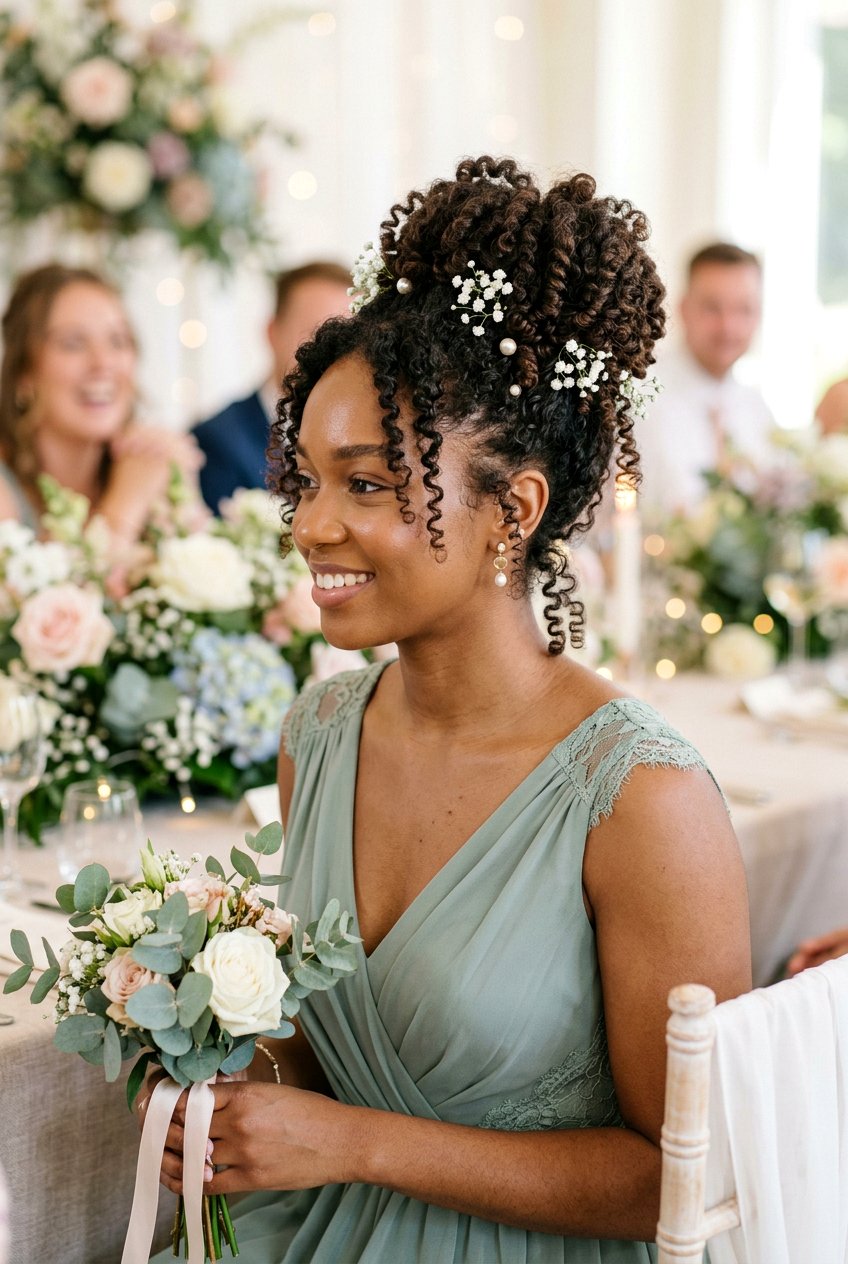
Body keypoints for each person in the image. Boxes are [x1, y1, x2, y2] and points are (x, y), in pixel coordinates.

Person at [145, 157, 751, 1262]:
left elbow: (686, 1170)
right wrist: (212, 1063)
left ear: (510, 510)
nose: (312, 526)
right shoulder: (318, 733)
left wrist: (357, 1144)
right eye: (307, 480)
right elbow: (328, 1062)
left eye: (366, 484)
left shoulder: (641, 801)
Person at [0, 263, 202, 545]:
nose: (103, 363)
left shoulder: (146, 462)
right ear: (24, 372)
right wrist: (124, 509)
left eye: (117, 341)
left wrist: (184, 488)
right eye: (73, 344)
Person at [192, 261, 351, 512]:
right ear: (272, 332)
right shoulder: (216, 441)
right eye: (316, 335)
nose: (330, 355)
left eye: (345, 341)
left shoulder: (368, 434)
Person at [639, 242, 773, 517]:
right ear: (684, 308)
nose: (728, 326)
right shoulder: (641, 396)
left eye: (743, 309)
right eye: (713, 308)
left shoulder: (759, 411)